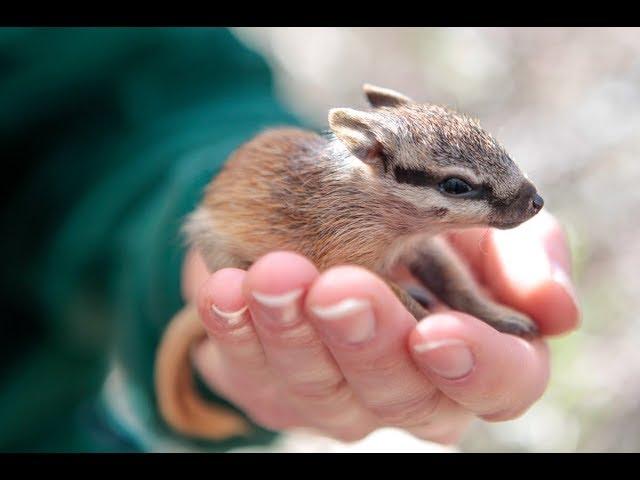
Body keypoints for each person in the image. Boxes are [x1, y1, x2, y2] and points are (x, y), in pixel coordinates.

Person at [0, 27, 579, 452]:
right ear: (371, 157)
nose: (519, 206)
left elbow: (126, 102)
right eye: (458, 188)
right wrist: (408, 309)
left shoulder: (404, 219)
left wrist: (479, 307)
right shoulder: (354, 219)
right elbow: (353, 271)